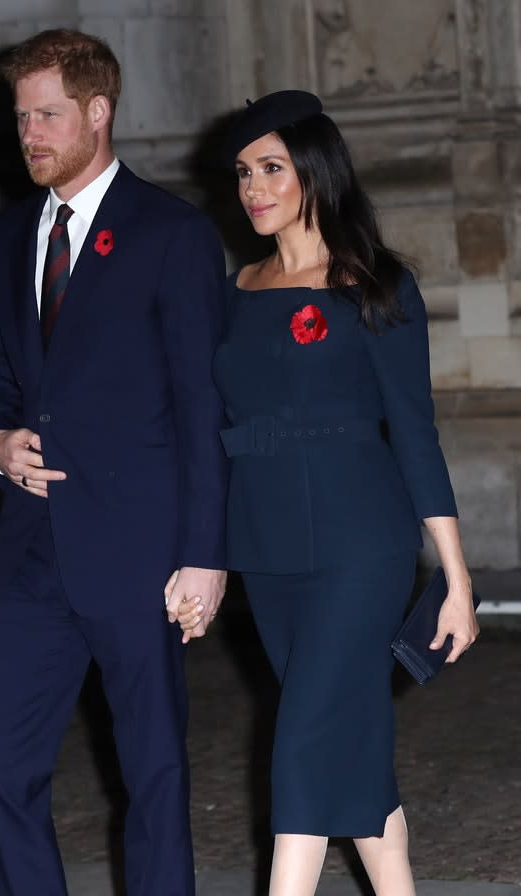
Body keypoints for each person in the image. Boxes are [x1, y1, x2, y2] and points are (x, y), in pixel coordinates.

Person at [178, 91, 479, 895]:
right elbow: (202, 429)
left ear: (315, 170)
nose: (253, 187)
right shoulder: (233, 289)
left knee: (304, 740)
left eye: (271, 168)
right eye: (243, 172)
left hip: (361, 547)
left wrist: (456, 580)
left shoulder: (375, 287)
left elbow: (416, 436)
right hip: (267, 551)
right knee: (347, 736)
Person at [0, 29, 227, 896]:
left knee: (152, 778)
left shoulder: (171, 232)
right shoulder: (2, 238)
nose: (28, 133)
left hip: (142, 550)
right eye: (20, 117)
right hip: (32, 552)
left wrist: (206, 552)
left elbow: (201, 403)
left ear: (98, 111)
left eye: (47, 115)